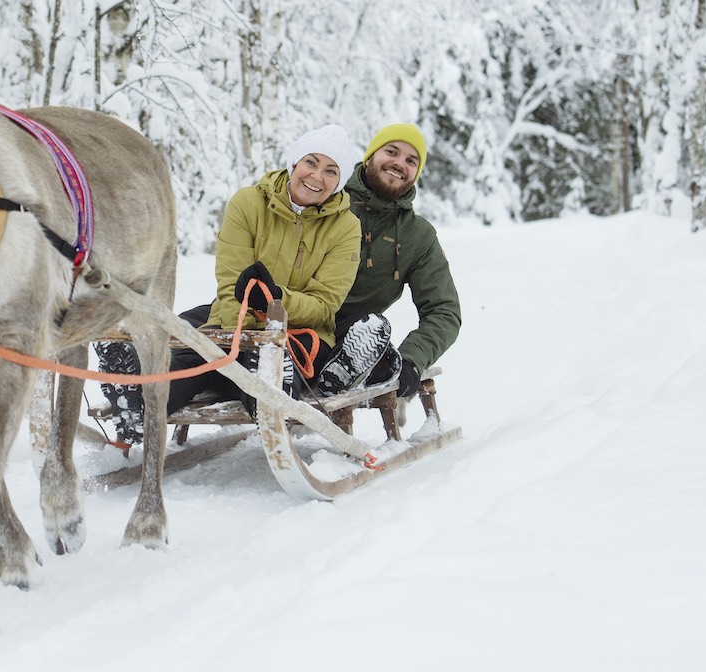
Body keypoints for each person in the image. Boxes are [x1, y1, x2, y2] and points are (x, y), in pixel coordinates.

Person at [99, 124, 363, 443]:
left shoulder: (346, 227)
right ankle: (136, 402)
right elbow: (229, 284)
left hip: (299, 331)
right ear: (295, 163)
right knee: (195, 360)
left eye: (331, 170)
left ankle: (264, 386)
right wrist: (247, 331)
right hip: (233, 316)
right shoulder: (249, 203)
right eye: (311, 162)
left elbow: (324, 306)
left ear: (340, 181)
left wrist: (276, 300)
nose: (317, 176)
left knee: (274, 363)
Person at [309, 123, 462, 404]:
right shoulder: (325, 198)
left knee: (372, 333)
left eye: (411, 160)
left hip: (355, 338)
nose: (399, 163)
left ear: (416, 173)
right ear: (369, 157)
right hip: (299, 321)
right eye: (391, 151)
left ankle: (367, 365)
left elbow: (443, 310)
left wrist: (412, 359)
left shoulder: (418, 236)